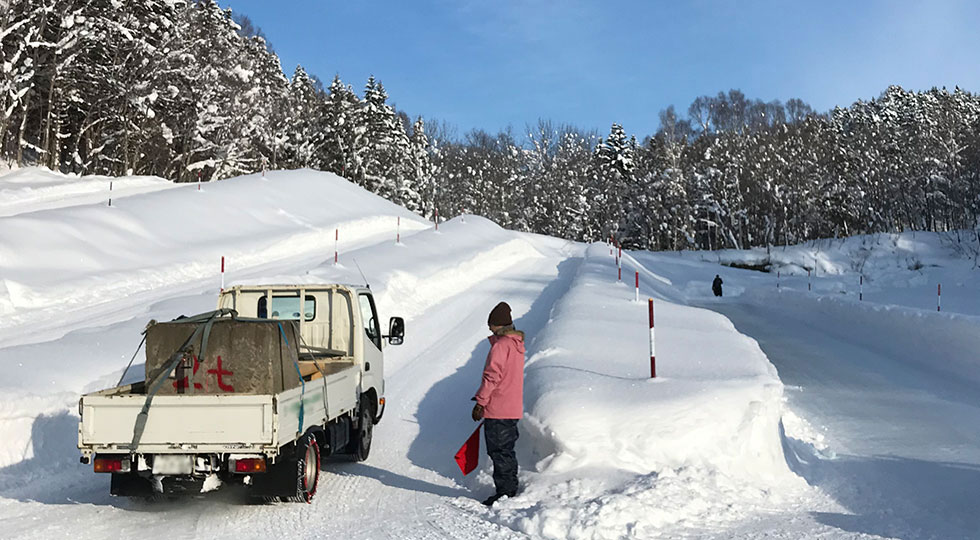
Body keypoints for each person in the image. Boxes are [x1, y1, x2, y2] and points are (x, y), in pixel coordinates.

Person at [472, 301, 526, 506]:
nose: (489, 328)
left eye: (491, 324)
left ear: (499, 325)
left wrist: (480, 402)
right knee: (506, 451)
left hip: (498, 408)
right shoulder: (516, 345)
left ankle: (505, 493)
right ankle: (509, 488)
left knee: (498, 451)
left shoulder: (501, 346)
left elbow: (492, 377)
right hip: (512, 407)